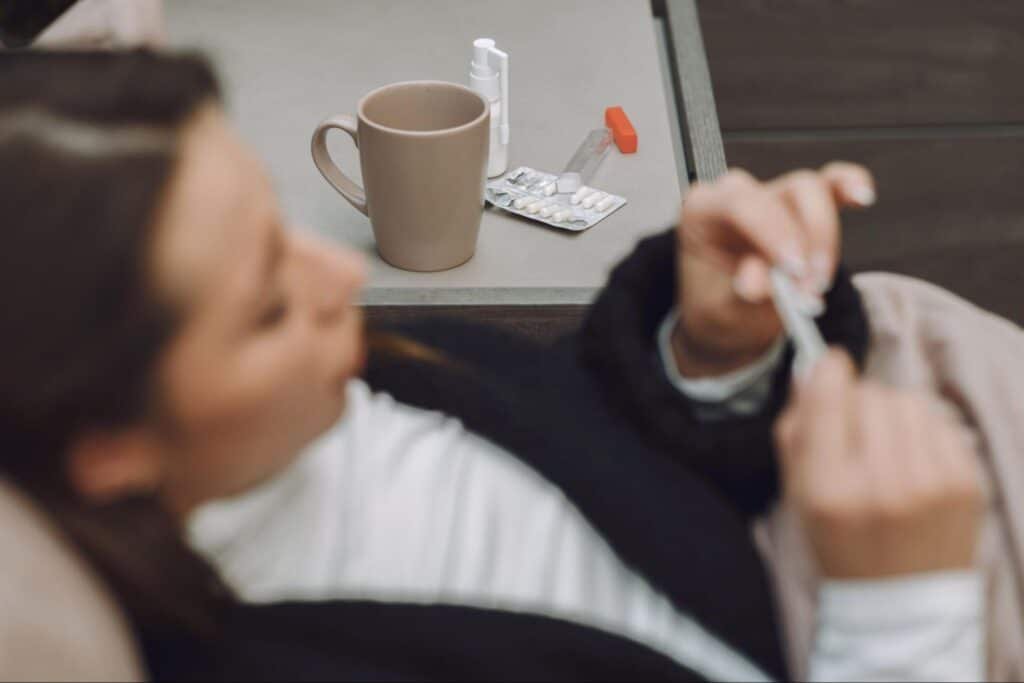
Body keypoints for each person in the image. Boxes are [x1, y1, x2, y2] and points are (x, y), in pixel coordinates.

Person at [0, 50, 987, 680]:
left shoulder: (358, 388)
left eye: (281, 223)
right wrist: (901, 621)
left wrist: (704, 350)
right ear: (109, 449)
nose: (340, 270)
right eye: (265, 302)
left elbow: (588, 442)